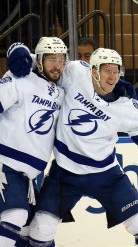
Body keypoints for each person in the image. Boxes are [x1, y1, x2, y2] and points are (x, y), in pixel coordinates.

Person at [10, 46, 138, 246]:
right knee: (41, 229)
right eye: (107, 70)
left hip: (107, 175)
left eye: (116, 71)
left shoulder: (128, 106)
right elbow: (49, 64)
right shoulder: (75, 74)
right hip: (65, 174)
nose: (112, 76)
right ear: (93, 71)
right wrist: (22, 54)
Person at [0, 37, 67, 247]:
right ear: (38, 60)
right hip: (5, 166)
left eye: (61, 59)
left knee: (36, 231)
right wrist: (17, 49)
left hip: (27, 177)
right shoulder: (21, 78)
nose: (57, 65)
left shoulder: (61, 91)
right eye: (51, 59)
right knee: (16, 216)